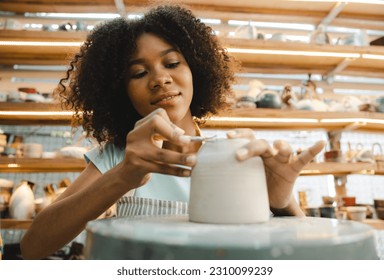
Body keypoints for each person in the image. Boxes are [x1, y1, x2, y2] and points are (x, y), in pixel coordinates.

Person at [20, 4, 325, 260]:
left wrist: (283, 204)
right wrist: (123, 175)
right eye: (139, 72)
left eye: (172, 63)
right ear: (120, 92)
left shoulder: (237, 154)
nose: (160, 79)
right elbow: (33, 247)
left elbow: (297, 257)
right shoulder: (119, 156)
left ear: (196, 70)